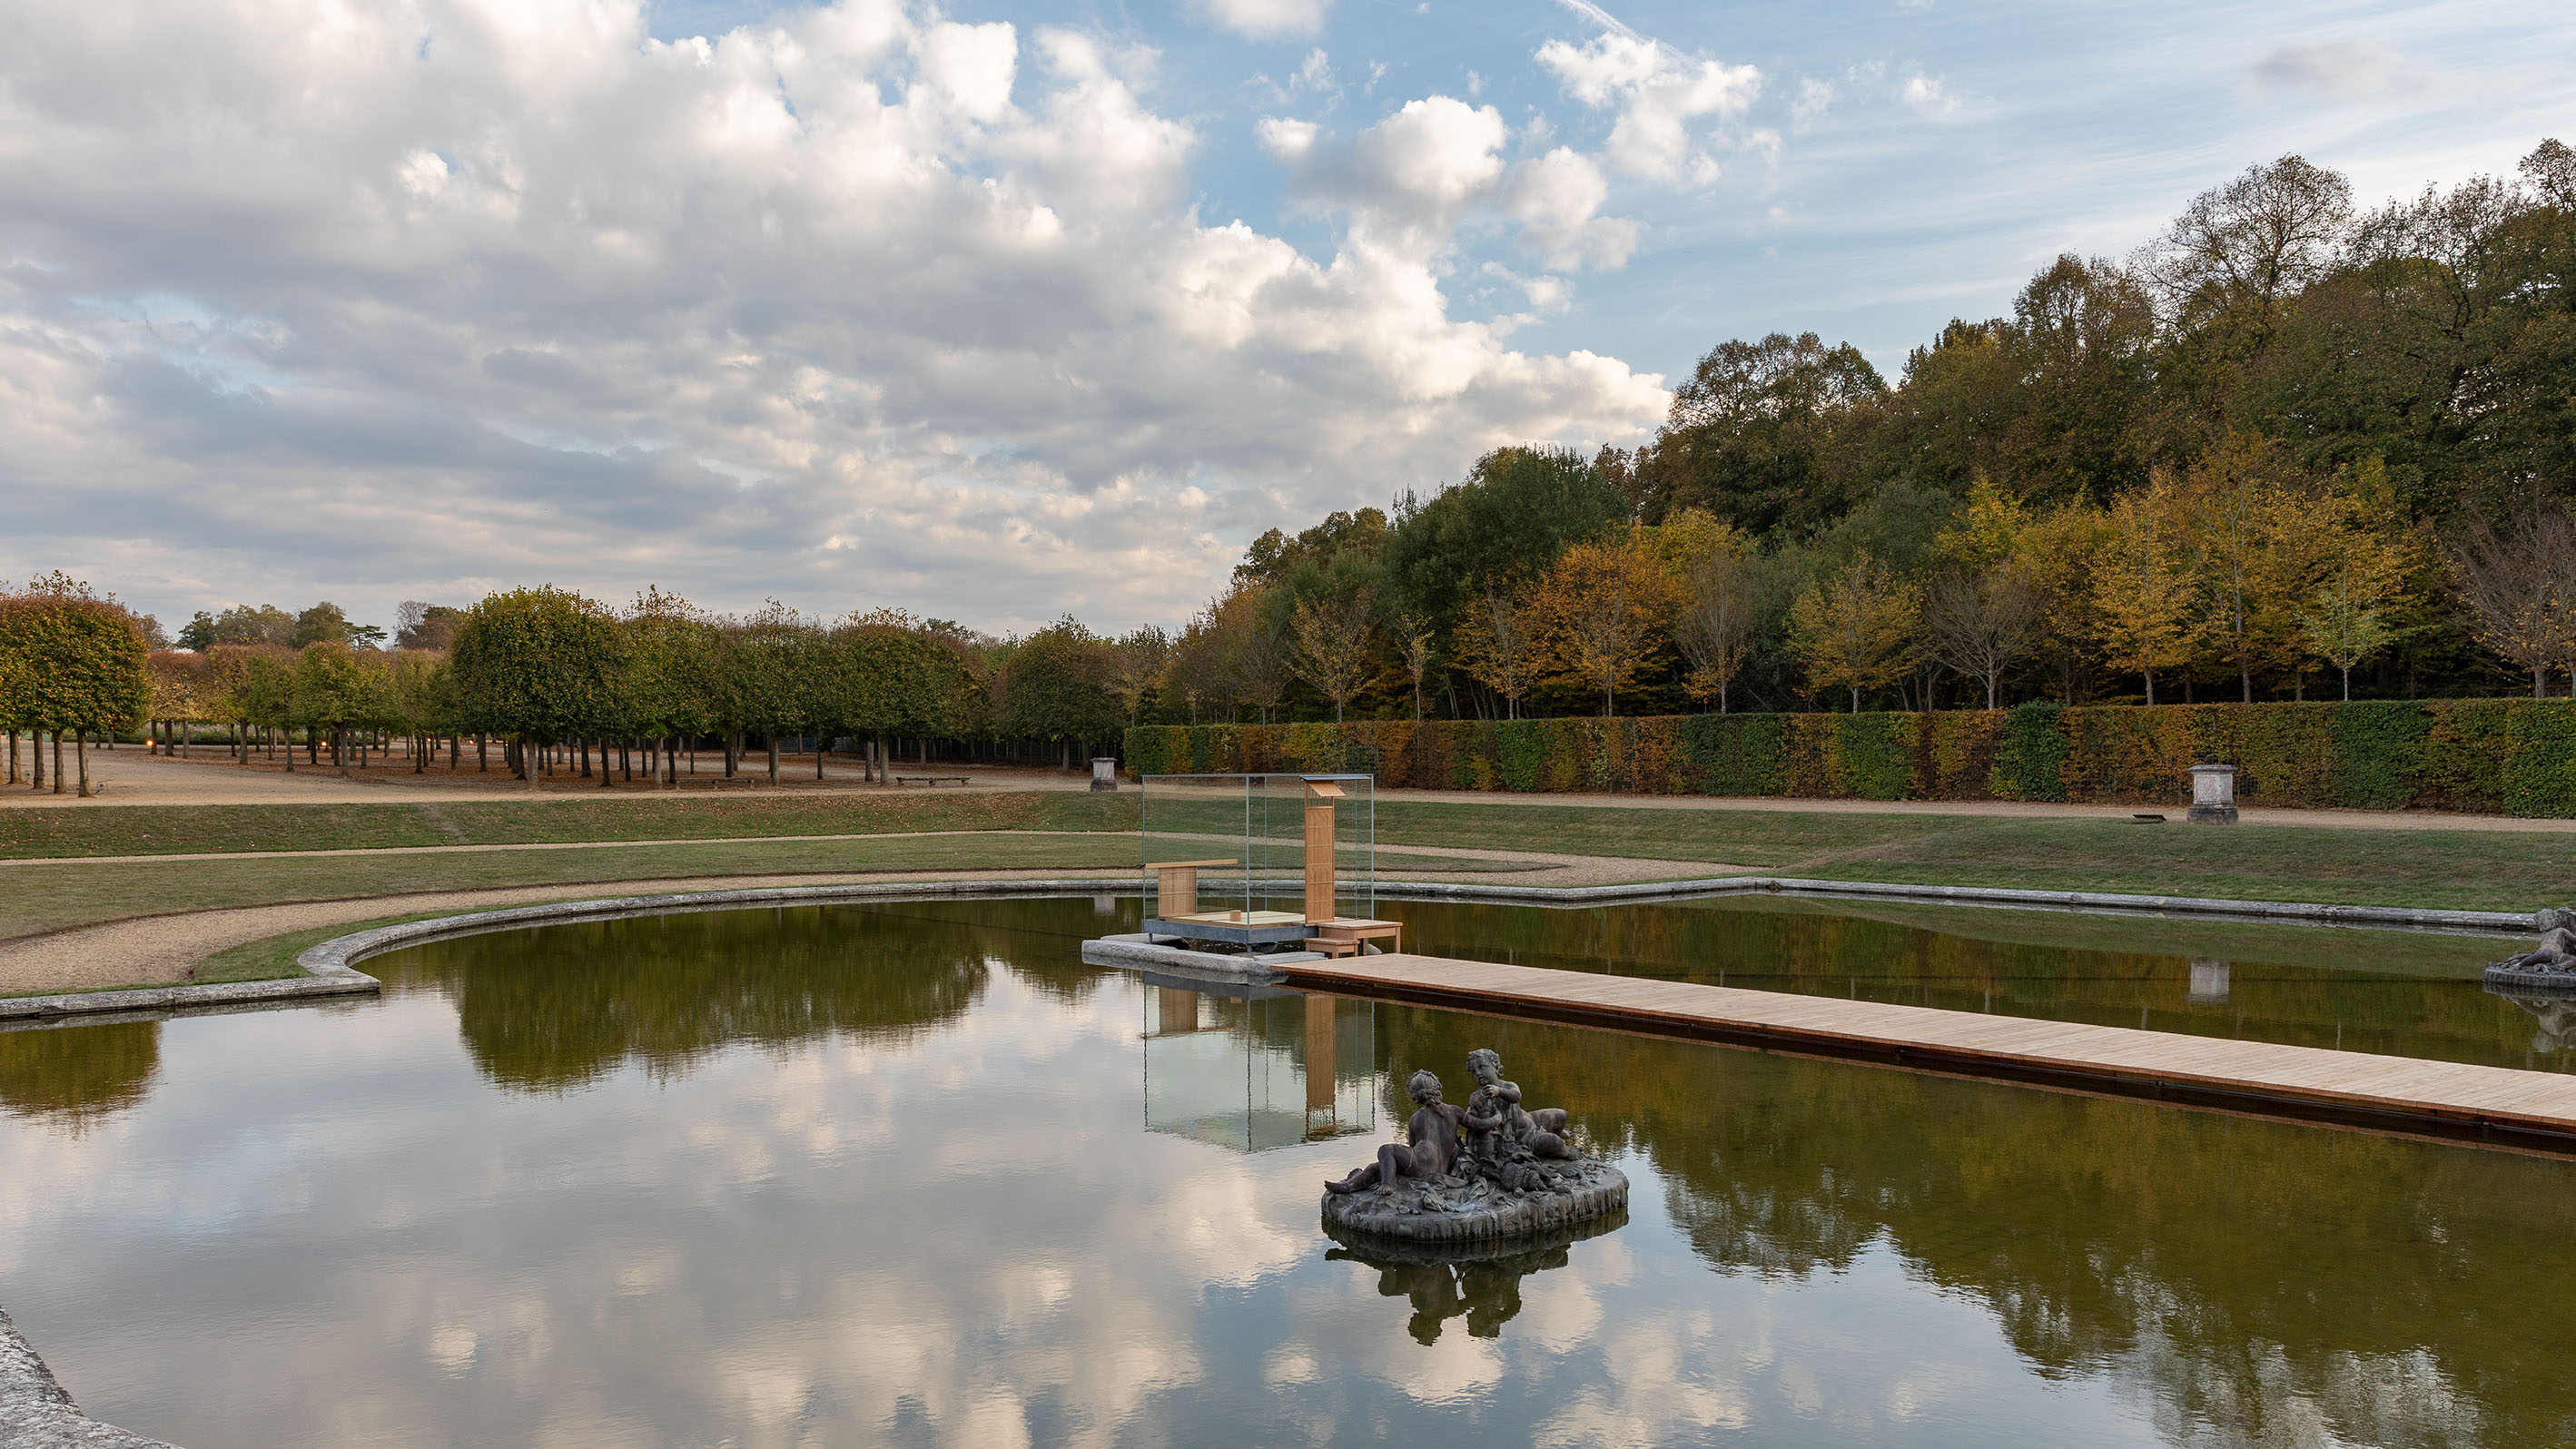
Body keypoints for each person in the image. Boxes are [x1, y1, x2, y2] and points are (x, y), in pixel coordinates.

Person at [1326, 1070, 1464, 1195]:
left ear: (1416, 1097)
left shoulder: (1416, 1118)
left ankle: (1387, 1185)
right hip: (1439, 1169)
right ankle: (1347, 1187)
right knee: (1377, 1167)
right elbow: (1479, 1125)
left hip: (1421, 1164)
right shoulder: (1454, 1111)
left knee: (1386, 1150)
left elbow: (1412, 1148)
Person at [1459, 1048, 1570, 1170]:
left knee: (1562, 1114)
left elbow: (1516, 1096)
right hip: (1524, 1138)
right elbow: (1471, 1120)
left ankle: (1558, 1132)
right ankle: (1568, 1152)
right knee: (1554, 1142)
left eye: (1482, 1067)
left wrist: (1499, 1091)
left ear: (1496, 1067)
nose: (1478, 1073)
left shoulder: (1508, 1085)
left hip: (1531, 1118)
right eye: (1474, 1072)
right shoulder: (1479, 1096)